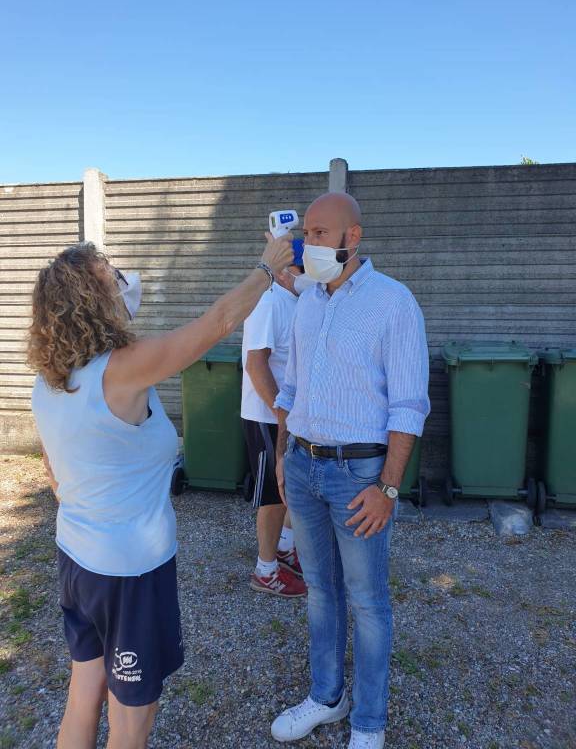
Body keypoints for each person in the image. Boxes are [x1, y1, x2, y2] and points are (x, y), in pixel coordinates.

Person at [28, 234, 293, 749]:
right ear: (93, 301)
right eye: (114, 280)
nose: (125, 284)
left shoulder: (49, 378)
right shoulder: (122, 370)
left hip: (77, 559)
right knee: (133, 716)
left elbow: (54, 472)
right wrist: (268, 268)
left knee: (84, 691)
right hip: (128, 573)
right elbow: (216, 324)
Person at [271, 193, 430, 749]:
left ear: (352, 237)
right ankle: (326, 697)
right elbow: (291, 388)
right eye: (305, 234)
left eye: (318, 233)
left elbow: (409, 405)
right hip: (304, 464)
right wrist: (283, 455)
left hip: (359, 474)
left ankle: (368, 722)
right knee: (319, 590)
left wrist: (388, 486)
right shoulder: (308, 301)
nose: (307, 244)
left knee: (367, 600)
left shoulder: (393, 303)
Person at [241, 239, 313, 598]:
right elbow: (255, 364)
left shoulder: (297, 301)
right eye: (306, 268)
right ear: (288, 267)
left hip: (288, 415)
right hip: (266, 415)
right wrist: (280, 414)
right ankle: (265, 570)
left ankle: (285, 547)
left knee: (290, 490)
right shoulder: (269, 302)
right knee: (272, 495)